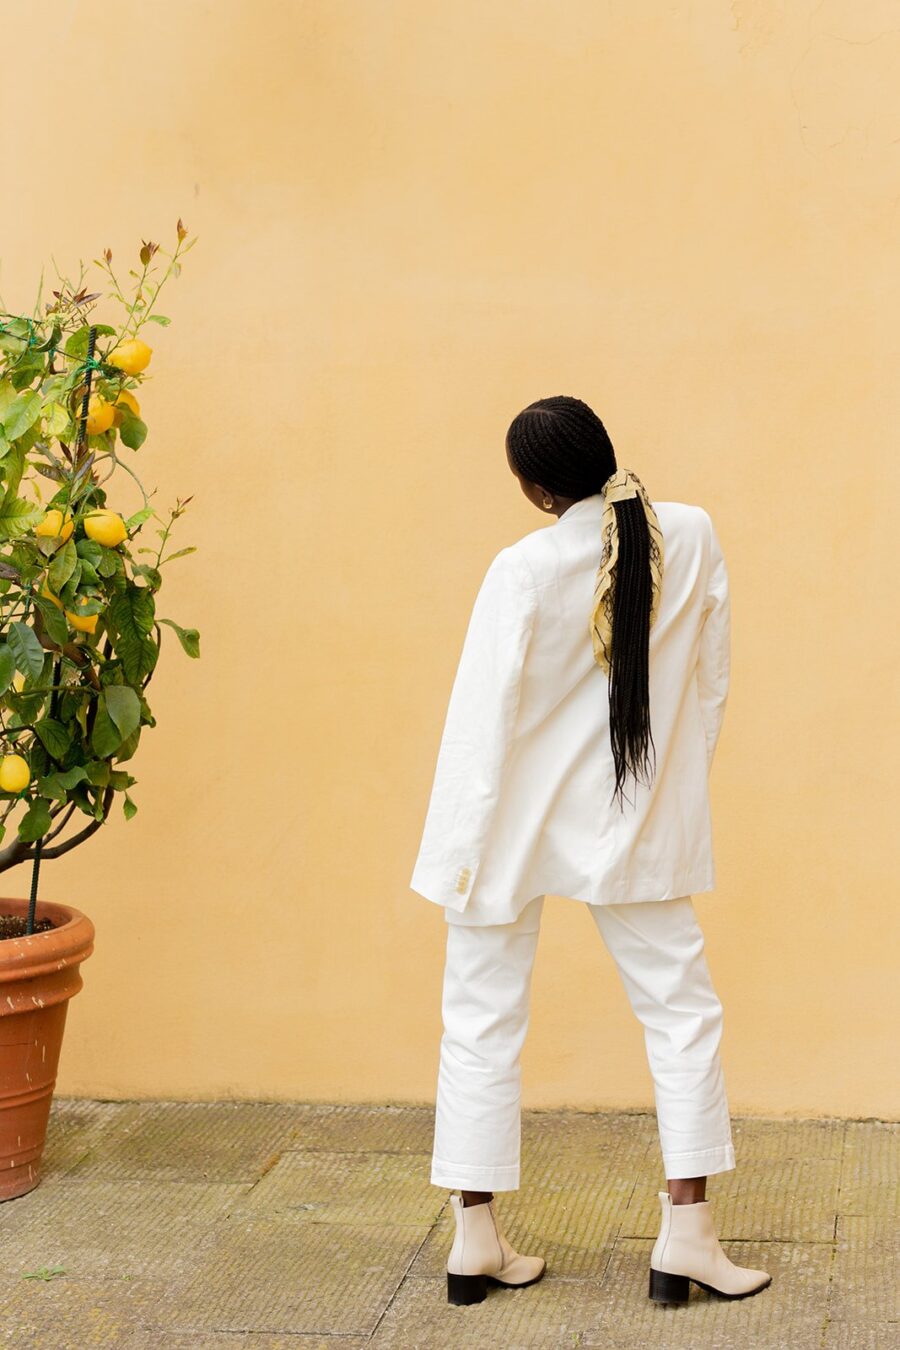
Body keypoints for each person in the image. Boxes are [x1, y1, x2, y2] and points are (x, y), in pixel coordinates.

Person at [409, 395, 773, 1308]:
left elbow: (477, 720)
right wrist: (665, 797)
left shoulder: (522, 566)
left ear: (536, 492)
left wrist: (454, 856)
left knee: (481, 1020)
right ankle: (687, 1234)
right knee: (681, 1013)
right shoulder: (690, 533)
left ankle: (474, 1239)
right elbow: (712, 681)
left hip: (513, 826)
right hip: (630, 809)